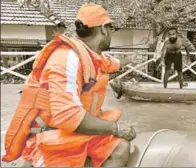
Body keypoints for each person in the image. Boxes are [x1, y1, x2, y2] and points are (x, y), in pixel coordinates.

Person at [2, 3, 136, 167]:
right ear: (103, 29)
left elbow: (112, 64)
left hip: (74, 130)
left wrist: (129, 60)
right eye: (111, 29)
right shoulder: (67, 58)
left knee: (120, 148)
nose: (111, 34)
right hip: (54, 134)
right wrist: (116, 128)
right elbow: (69, 117)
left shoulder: (93, 56)